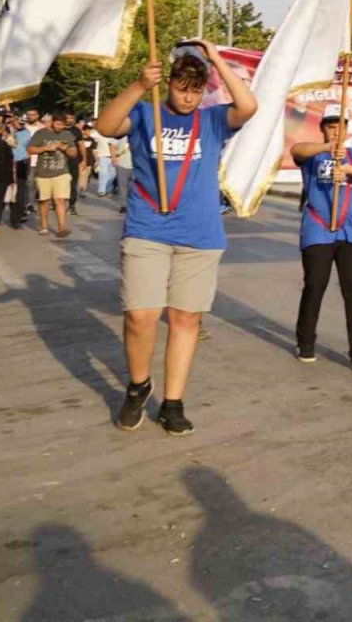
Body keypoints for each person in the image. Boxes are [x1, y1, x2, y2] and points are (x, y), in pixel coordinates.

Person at [95, 40, 257, 436]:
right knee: (140, 315)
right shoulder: (145, 113)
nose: (188, 97)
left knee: (185, 318)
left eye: (196, 89)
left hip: (199, 233)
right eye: (181, 87)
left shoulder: (213, 120)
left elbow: (248, 107)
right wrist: (137, 84)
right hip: (147, 226)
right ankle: (138, 386)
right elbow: (104, 126)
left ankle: (172, 402)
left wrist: (215, 58)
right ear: (168, 83)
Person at [292, 104, 352, 370]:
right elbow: (296, 151)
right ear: (322, 128)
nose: (335, 131)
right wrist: (326, 149)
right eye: (330, 126)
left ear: (347, 129)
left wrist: (350, 171)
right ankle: (305, 342)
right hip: (318, 230)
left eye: (340, 127)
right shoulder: (313, 155)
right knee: (315, 286)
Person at [28, 112, 79, 238]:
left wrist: (64, 148)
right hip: (43, 172)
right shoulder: (41, 134)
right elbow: (30, 149)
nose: (60, 127)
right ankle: (44, 226)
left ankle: (62, 228)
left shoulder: (67, 134)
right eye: (58, 124)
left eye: (62, 125)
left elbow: (73, 153)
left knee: (60, 200)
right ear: (52, 122)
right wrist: (45, 148)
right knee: (44, 200)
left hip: (62, 172)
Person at [10, 111, 32, 227]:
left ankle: (17, 217)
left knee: (20, 191)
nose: (21, 125)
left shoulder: (26, 133)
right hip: (6, 163)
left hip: (20, 162)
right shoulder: (7, 130)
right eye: (19, 122)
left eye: (23, 123)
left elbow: (29, 149)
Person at [90, 119, 116, 196]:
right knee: (103, 173)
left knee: (113, 174)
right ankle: (101, 190)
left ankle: (108, 189)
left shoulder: (115, 133)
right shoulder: (99, 132)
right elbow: (90, 136)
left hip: (114, 156)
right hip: (102, 155)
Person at [111, 133, 132, 214]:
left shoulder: (138, 134)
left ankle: (132, 204)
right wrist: (113, 158)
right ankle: (124, 205)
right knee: (122, 186)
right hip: (122, 164)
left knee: (134, 187)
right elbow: (112, 145)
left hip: (136, 164)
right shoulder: (120, 134)